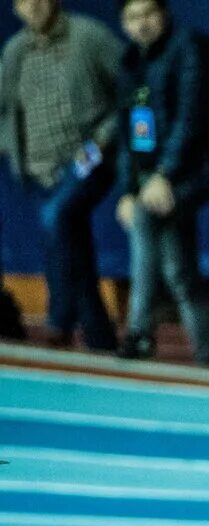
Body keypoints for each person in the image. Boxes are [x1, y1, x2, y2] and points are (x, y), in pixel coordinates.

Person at [114, 0, 209, 365]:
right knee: (178, 268)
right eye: (132, 17)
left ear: (164, 13)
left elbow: (191, 117)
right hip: (152, 181)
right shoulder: (128, 64)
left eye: (148, 14)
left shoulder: (189, 46)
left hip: (192, 172)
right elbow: (127, 135)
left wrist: (164, 176)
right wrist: (128, 189)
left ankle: (138, 332)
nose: (142, 24)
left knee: (145, 218)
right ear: (123, 23)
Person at [0, 0, 122, 352]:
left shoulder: (89, 36)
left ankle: (59, 318)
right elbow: (8, 109)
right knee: (72, 243)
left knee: (55, 218)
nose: (33, 5)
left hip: (87, 158)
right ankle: (100, 338)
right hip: (39, 168)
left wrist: (105, 135)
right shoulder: (14, 50)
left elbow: (132, 89)